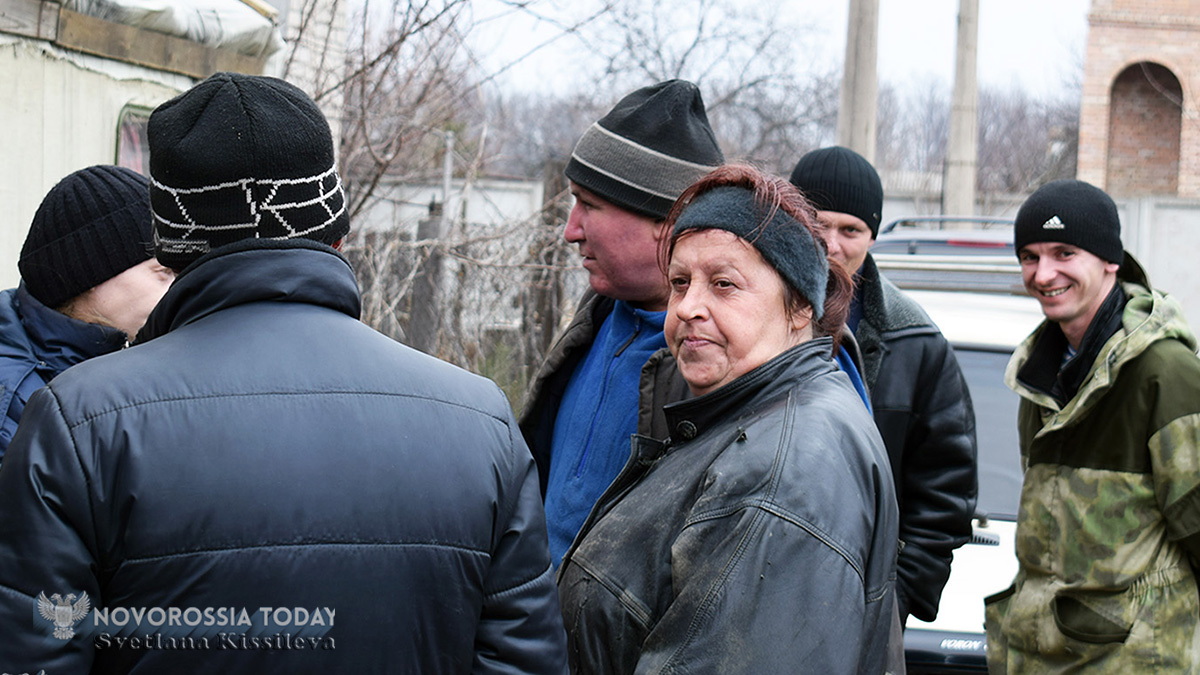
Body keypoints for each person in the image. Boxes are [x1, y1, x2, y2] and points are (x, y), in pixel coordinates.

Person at [0, 72, 566, 673]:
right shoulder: (480, 420)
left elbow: (41, 648)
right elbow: (521, 658)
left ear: (168, 248)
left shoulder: (79, 420)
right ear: (338, 234)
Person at [557, 164, 900, 674]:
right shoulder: (744, 414)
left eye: (723, 284)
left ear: (800, 305)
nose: (689, 306)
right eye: (679, 282)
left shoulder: (782, 473)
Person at [984, 179, 1200, 672]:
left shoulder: (1165, 373)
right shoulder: (1039, 377)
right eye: (1030, 257)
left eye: (1064, 253)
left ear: (1109, 260)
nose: (1044, 273)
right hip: (1046, 656)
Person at [518, 80, 724, 564]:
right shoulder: (598, 315)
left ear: (669, 224)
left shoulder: (724, 363)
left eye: (589, 204)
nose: (571, 230)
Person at [789, 146, 978, 625]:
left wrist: (894, 604)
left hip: (860, 609)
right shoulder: (743, 316)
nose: (832, 244)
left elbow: (944, 492)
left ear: (871, 237)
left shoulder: (916, 341)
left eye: (850, 230)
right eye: (817, 224)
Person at [0, 164, 173, 458]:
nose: (179, 286)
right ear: (91, 278)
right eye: (162, 271)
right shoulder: (16, 404)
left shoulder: (122, 354)